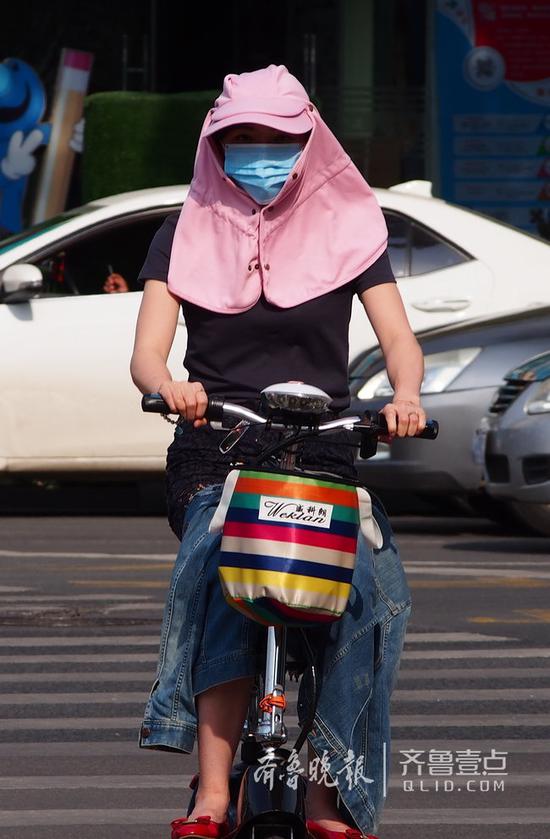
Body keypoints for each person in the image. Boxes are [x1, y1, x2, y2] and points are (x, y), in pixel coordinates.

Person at [130, 65, 425, 839]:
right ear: (215, 144)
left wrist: (405, 396)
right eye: (241, 140)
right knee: (220, 568)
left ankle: (329, 791)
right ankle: (215, 793)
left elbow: (400, 340)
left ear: (308, 142)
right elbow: (147, 356)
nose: (258, 152)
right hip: (217, 443)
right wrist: (171, 386)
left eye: (277, 140)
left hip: (322, 446)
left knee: (369, 590)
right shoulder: (182, 229)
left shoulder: (352, 227)